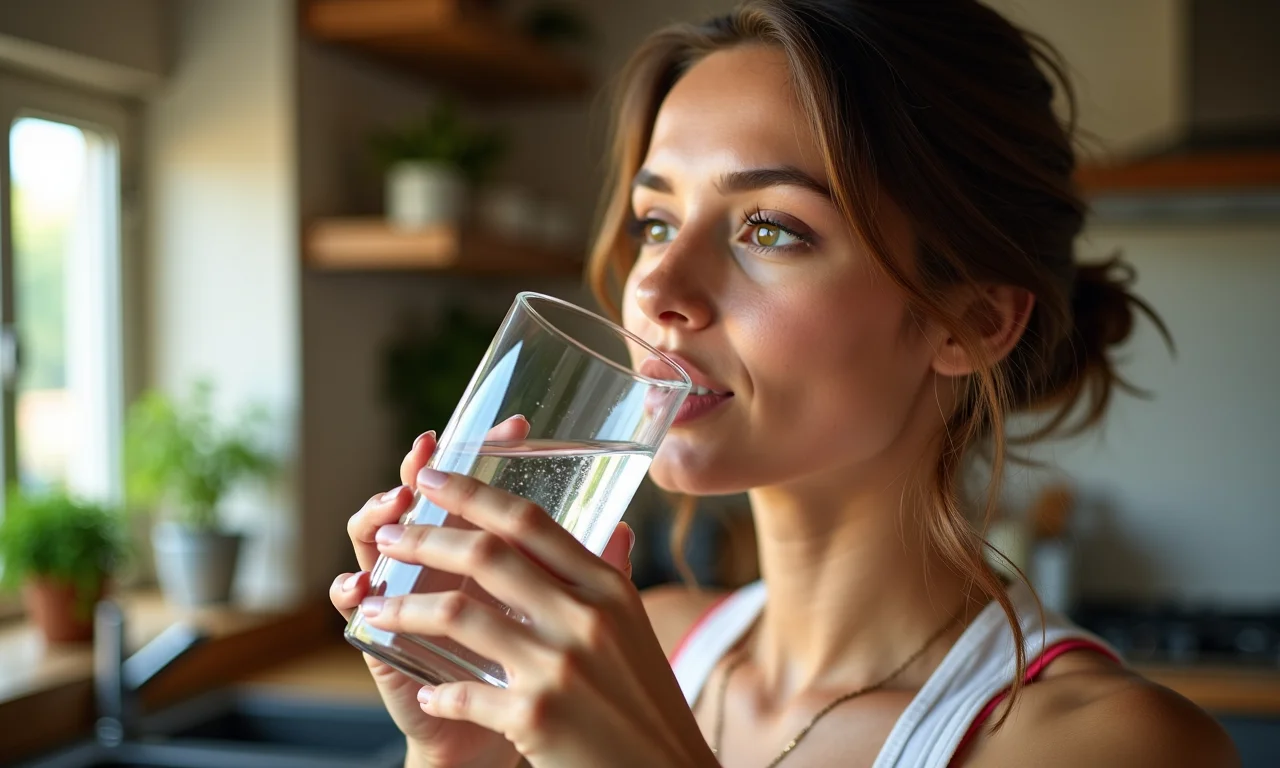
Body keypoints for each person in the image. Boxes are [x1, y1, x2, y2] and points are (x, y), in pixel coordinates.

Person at [330, 1, 1239, 766]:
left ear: (971, 320)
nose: (654, 288)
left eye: (769, 228)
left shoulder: (1110, 745)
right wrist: (464, 757)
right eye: (655, 221)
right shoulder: (635, 648)